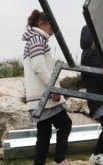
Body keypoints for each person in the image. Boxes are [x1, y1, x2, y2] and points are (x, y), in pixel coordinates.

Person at [22, 9, 71, 165]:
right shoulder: (37, 39)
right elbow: (39, 68)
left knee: (44, 135)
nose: (53, 31)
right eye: (51, 26)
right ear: (41, 23)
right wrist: (54, 88)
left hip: (39, 96)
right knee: (65, 124)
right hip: (44, 96)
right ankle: (60, 159)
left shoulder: (33, 39)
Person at [80, 25, 103, 165]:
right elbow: (100, 76)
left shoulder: (94, 54)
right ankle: (97, 154)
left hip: (102, 96)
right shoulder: (90, 55)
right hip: (98, 97)